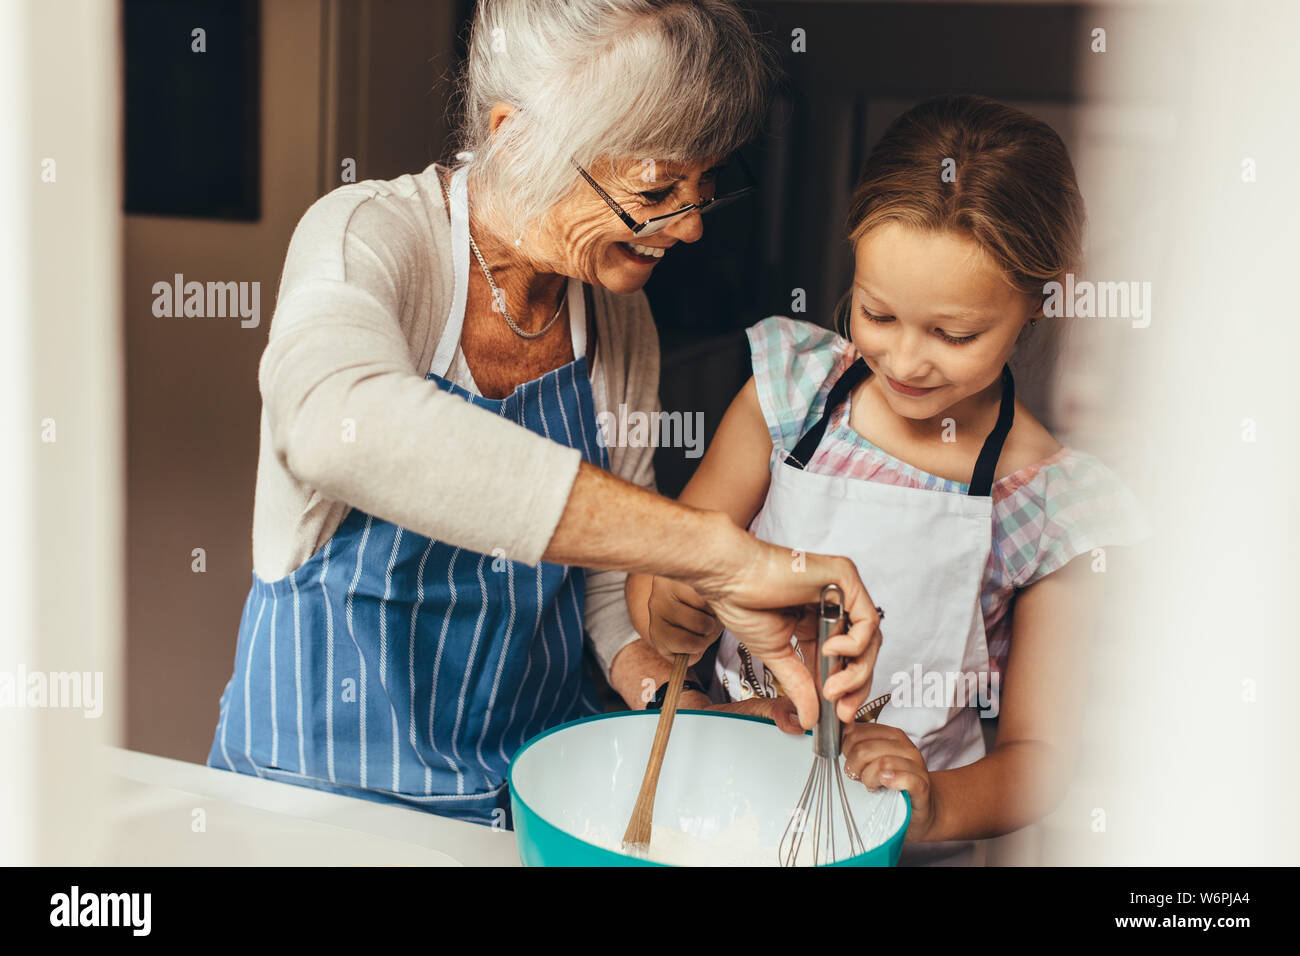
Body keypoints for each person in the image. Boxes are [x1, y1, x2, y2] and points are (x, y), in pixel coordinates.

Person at [207, 0, 883, 826]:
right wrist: (716, 551)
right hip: (314, 806)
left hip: (523, 796)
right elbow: (334, 424)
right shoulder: (371, 239)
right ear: (515, 135)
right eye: (657, 186)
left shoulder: (616, 314)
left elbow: (600, 583)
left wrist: (669, 695)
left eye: (705, 185)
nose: (693, 225)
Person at [627, 94, 1150, 864]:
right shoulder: (790, 396)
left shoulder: (1048, 503)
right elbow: (657, 586)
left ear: (1040, 302)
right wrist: (672, 604)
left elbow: (1039, 759)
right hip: (720, 818)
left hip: (901, 852)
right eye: (877, 313)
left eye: (955, 333)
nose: (906, 361)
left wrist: (932, 804)